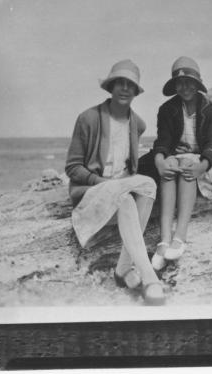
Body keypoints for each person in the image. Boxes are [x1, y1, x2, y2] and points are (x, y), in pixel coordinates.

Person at [65, 59, 165, 305]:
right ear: (110, 87)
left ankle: (122, 270)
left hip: (121, 189)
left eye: (130, 85)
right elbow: (72, 167)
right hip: (93, 191)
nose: (124, 88)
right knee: (124, 198)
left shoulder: (137, 124)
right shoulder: (88, 119)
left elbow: (130, 168)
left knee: (148, 185)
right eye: (118, 83)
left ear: (135, 91)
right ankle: (149, 277)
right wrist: (101, 182)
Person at [143, 56, 212, 271]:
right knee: (169, 169)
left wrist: (203, 164)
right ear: (175, 85)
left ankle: (181, 235)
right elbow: (164, 139)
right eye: (180, 83)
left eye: (189, 82)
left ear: (197, 84)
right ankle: (164, 239)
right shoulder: (167, 109)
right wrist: (161, 160)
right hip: (176, 155)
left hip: (202, 158)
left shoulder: (210, 109)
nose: (185, 87)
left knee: (187, 167)